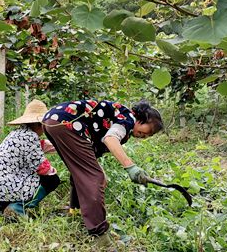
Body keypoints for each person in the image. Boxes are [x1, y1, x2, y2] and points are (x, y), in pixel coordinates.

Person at [42, 100, 163, 247]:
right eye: (148, 131)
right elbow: (110, 139)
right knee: (95, 178)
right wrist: (130, 166)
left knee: (81, 172)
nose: (145, 136)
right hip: (67, 123)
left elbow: (90, 151)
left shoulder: (119, 116)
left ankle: (75, 212)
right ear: (142, 118)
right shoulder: (128, 118)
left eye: (149, 136)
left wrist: (98, 168)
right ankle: (100, 236)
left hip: (52, 121)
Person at [0, 99, 60, 216]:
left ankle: (1, 208)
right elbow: (42, 168)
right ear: (39, 124)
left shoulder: (17, 134)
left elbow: (43, 146)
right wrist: (52, 171)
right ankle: (17, 208)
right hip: (5, 187)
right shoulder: (30, 137)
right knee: (52, 180)